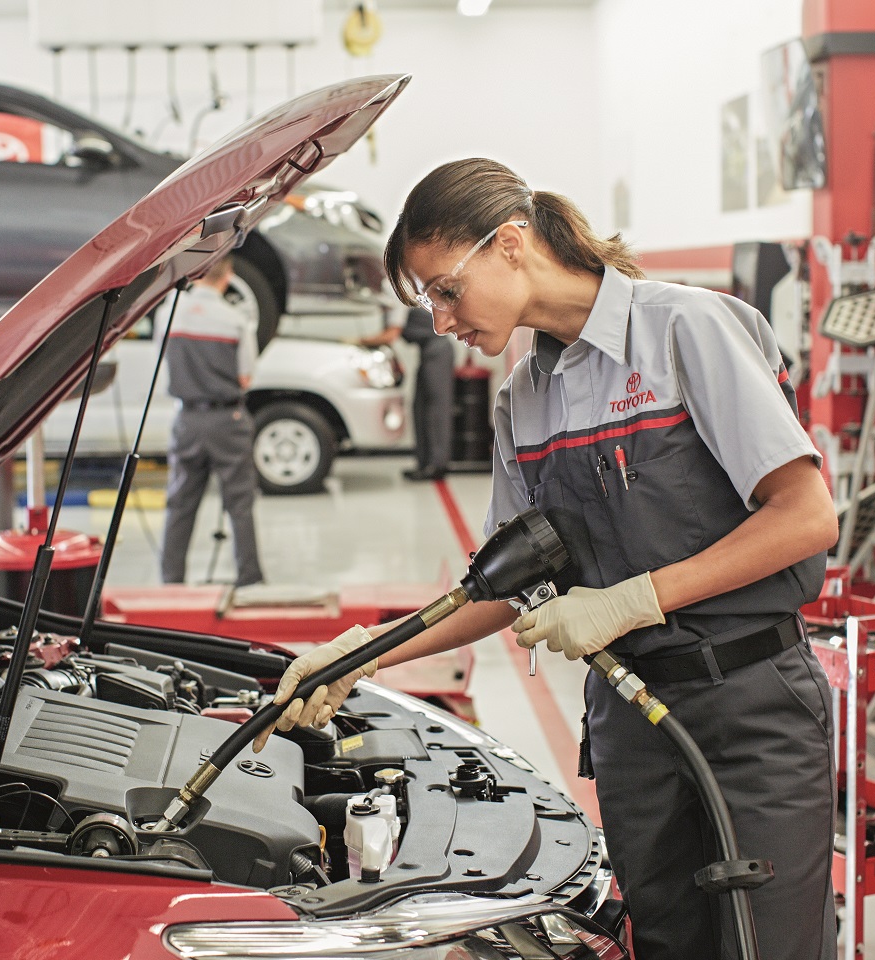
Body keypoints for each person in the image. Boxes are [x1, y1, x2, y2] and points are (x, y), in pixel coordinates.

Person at [255, 159, 839, 960]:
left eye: (445, 290)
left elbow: (805, 516)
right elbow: (501, 585)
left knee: (769, 945)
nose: (440, 321)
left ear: (510, 245)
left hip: (749, 706)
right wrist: (366, 653)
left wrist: (634, 598)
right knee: (664, 942)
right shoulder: (521, 401)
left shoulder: (684, 330)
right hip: (633, 722)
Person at [159, 257, 264, 587]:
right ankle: (250, 580)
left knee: (180, 505)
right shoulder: (235, 320)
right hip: (227, 420)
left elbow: (163, 360)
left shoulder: (168, 314)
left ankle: (171, 582)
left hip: (187, 419)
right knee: (240, 504)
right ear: (228, 276)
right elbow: (246, 376)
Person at [361, 304, 455, 481]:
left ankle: (438, 465)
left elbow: (391, 335)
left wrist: (360, 341)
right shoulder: (391, 307)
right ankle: (424, 462)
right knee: (419, 408)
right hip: (427, 352)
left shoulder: (397, 302)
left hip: (438, 351)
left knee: (436, 410)